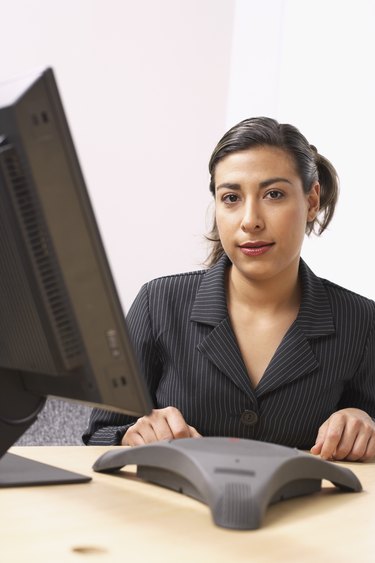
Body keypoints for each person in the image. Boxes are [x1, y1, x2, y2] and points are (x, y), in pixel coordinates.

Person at [83, 117, 375, 461]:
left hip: (300, 514)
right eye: (232, 197)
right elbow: (98, 434)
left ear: (311, 200)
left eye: (274, 194)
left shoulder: (362, 321)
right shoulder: (157, 303)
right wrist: (131, 434)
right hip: (169, 512)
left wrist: (365, 422)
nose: (250, 220)